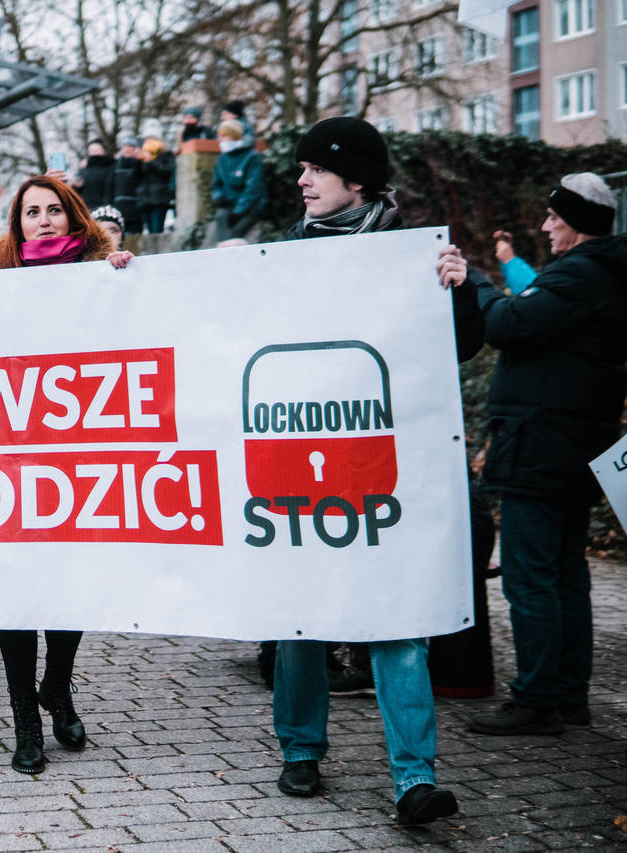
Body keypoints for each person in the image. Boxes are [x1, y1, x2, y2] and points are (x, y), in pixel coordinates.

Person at [272, 118, 481, 825]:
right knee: (300, 613)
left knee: (400, 618)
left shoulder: (412, 255)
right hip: (301, 460)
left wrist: (458, 290)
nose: (301, 181)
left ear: (355, 179)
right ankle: (300, 748)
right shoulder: (285, 253)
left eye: (314, 170)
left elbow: (459, 349)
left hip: (386, 465)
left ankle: (414, 778)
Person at [0, 174, 131, 773]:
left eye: (55, 210)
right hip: (8, 456)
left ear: (74, 217)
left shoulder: (108, 274)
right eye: (32, 212)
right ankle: (26, 716)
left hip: (78, 455)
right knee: (17, 593)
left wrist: (133, 284)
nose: (44, 220)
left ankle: (58, 684)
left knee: (69, 585)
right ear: (17, 222)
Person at [438, 174, 625, 736]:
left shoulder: (581, 274)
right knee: (566, 573)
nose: (544, 226)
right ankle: (569, 695)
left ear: (579, 223)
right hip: (573, 445)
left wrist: (479, 282)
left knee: (530, 578)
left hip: (540, 446)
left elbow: (511, 325)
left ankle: (537, 698)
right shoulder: (605, 274)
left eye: (554, 218)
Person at [211, 119, 265, 243]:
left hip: (249, 207)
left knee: (234, 233)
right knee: (221, 217)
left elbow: (253, 188)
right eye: (219, 136)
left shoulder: (252, 157)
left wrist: (238, 211)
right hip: (229, 206)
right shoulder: (222, 158)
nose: (220, 140)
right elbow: (216, 184)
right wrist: (219, 197)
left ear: (234, 136)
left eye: (224, 136)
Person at [137, 137, 175, 234]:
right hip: (145, 199)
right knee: (149, 230)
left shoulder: (166, 157)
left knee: (157, 229)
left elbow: (166, 171)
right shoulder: (141, 162)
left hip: (159, 199)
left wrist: (151, 162)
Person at [112, 137, 145, 235]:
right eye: (124, 146)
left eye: (130, 146)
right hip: (119, 205)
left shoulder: (140, 164)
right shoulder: (115, 165)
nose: (126, 149)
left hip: (136, 205)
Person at [72, 140, 116, 211]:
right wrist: (76, 186)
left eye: (96, 150)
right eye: (91, 151)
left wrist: (108, 207)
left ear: (104, 151)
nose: (94, 153)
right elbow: (78, 192)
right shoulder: (84, 168)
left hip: (107, 207)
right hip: (88, 208)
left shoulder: (112, 166)